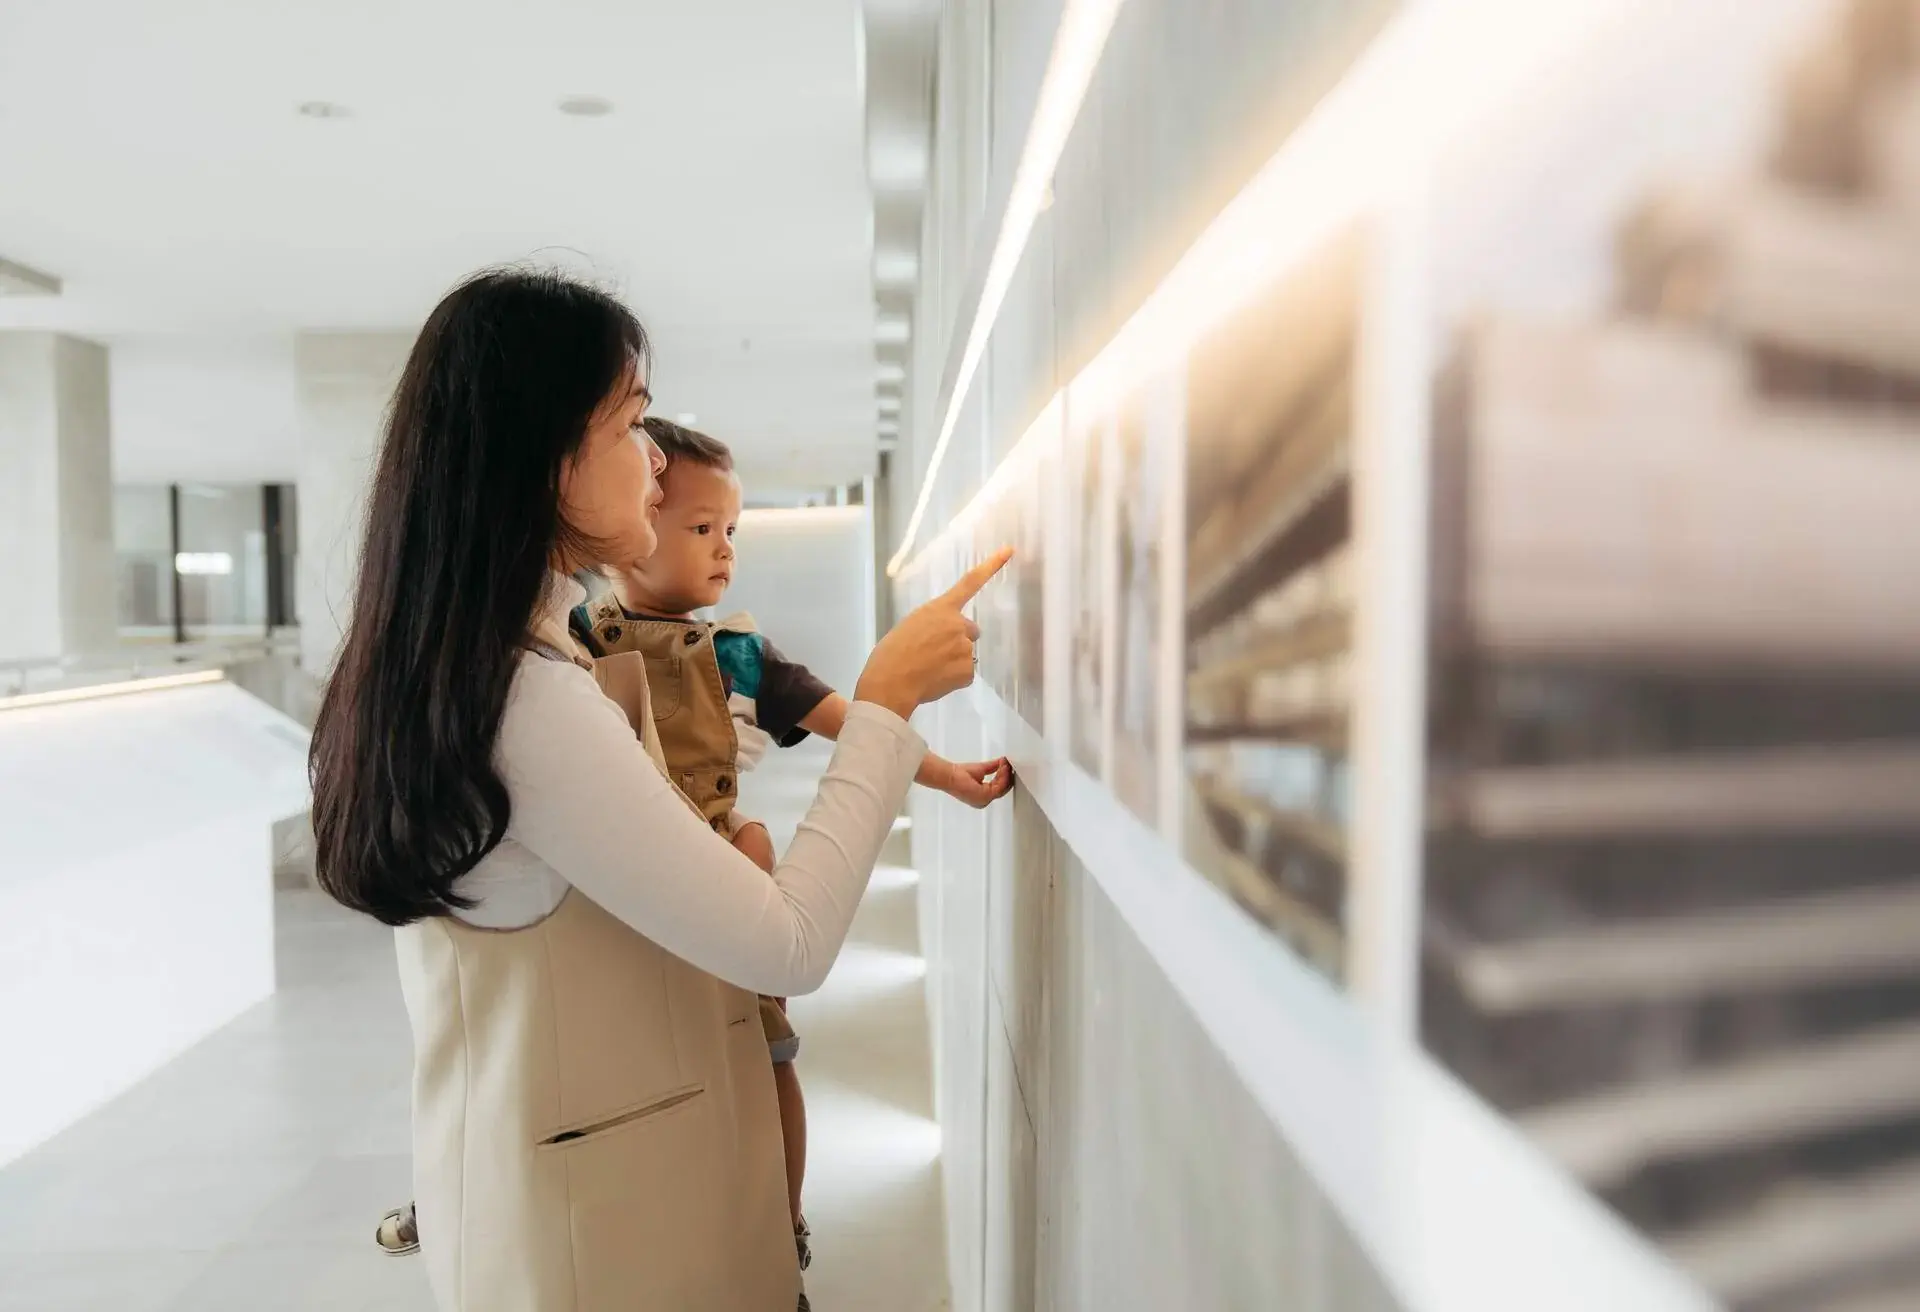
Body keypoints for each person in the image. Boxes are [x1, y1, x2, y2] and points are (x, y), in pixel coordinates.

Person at [310, 266, 1010, 1312]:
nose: (653, 459)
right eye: (632, 425)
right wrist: (884, 703)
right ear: (547, 459)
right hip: (609, 1245)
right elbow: (788, 943)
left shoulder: (486, 667)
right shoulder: (526, 698)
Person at [570, 415, 1012, 1273]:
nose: (724, 550)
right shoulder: (577, 643)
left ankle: (784, 1220)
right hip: (625, 889)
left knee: (767, 1056)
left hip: (719, 883)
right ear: (632, 525)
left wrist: (949, 775)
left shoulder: (735, 653)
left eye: (731, 529)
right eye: (701, 528)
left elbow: (859, 725)